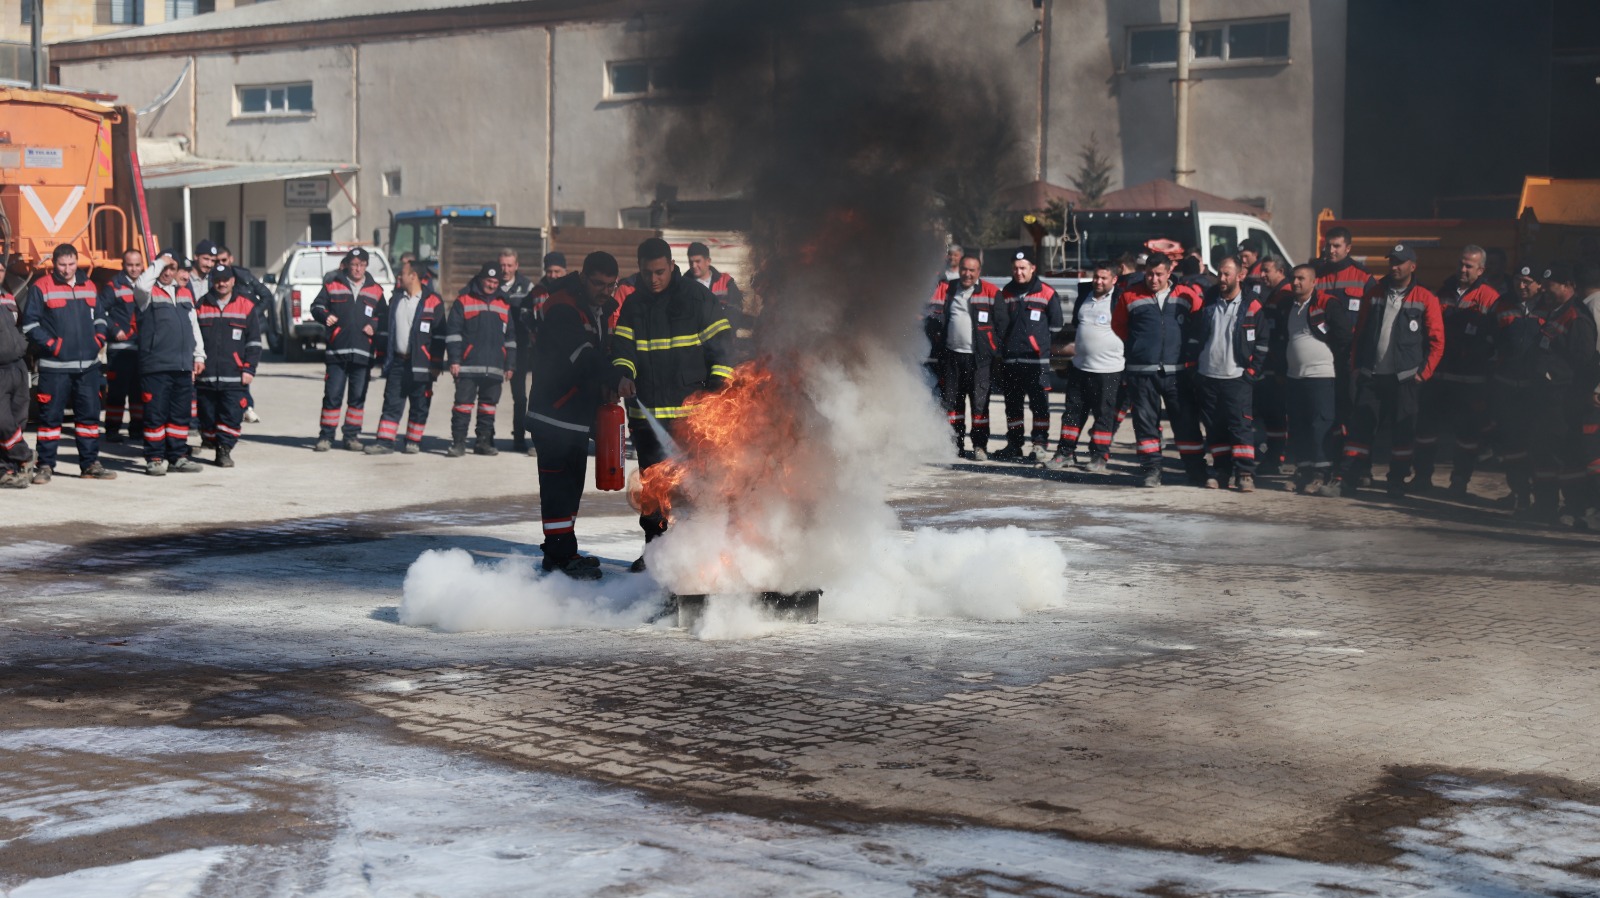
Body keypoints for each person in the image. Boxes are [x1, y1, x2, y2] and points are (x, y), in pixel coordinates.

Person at [611, 237, 733, 570]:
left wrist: (715, 398)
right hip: (646, 418)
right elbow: (623, 350)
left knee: (698, 489)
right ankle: (657, 555)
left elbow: (722, 350)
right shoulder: (634, 306)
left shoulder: (697, 299)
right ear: (638, 269)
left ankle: (703, 555)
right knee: (653, 490)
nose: (654, 279)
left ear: (671, 264)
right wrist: (622, 374)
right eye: (647, 272)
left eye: (660, 271)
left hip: (691, 420)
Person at [527, 252, 623, 579]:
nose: (605, 291)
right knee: (557, 489)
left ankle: (565, 551)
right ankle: (557, 557)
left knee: (571, 488)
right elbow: (582, 355)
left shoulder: (598, 308)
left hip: (575, 417)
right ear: (583, 277)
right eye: (598, 283)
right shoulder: (562, 307)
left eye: (611, 285)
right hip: (553, 414)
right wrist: (613, 378)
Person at [1335, 244, 1445, 497]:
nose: (1394, 267)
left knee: (1402, 434)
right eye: (1392, 262)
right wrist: (1356, 367)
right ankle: (1348, 477)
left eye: (1400, 262)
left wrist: (1422, 374)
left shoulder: (1426, 297)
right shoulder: (1375, 292)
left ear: (1412, 266)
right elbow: (1360, 332)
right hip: (1372, 376)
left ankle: (1396, 481)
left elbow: (1437, 341)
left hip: (1405, 379)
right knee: (1360, 430)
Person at [20, 243, 114, 483]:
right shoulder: (41, 287)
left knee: (89, 419)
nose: (67, 269)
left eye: (71, 264)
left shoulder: (89, 285)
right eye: (62, 265)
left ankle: (90, 465)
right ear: (54, 264)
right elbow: (30, 325)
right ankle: (45, 466)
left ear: (76, 262)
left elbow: (101, 317)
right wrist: (55, 346)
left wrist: (99, 339)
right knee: (50, 419)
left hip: (88, 367)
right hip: (55, 368)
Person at [1111, 254, 1207, 487]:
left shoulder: (1186, 294)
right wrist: (1139, 347)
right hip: (1141, 371)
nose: (1153, 279)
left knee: (1186, 423)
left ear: (1169, 271)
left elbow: (1200, 321)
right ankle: (1151, 471)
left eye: (1159, 274)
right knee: (1145, 423)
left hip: (1177, 372)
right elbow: (1118, 325)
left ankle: (1196, 471)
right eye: (1149, 274)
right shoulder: (1129, 295)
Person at [1413, 246, 1501, 495]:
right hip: (1438, 377)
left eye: (1468, 266)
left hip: (1471, 382)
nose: (1462, 269)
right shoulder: (1444, 292)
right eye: (1461, 264)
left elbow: (1497, 340)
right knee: (1426, 431)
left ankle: (1459, 482)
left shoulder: (1491, 298)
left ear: (1481, 269)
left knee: (1467, 436)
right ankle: (1421, 478)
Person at [1527, 262, 1597, 524]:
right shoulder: (1556, 312)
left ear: (1569, 286)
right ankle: (1545, 505)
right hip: (1545, 399)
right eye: (1544, 285)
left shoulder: (1577, 318)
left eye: (1551, 285)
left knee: (1564, 455)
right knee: (1542, 452)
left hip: (1562, 400)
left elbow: (1584, 363)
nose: (1545, 290)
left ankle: (1573, 507)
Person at [1190, 256, 1265, 491]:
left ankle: (1245, 473)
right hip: (1208, 375)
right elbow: (1196, 334)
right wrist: (1193, 365)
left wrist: (1251, 371)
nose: (1221, 279)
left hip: (1237, 378)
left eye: (1227, 274)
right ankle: (1221, 471)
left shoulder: (1252, 304)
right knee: (1214, 428)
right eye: (1220, 273)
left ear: (1240, 275)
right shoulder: (1209, 299)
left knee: (1240, 427)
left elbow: (1263, 341)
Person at [133, 252, 207, 476]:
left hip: (183, 365)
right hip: (156, 366)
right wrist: (160, 262)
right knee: (156, 414)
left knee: (179, 415)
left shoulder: (185, 293)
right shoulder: (147, 293)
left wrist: (199, 355)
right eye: (164, 268)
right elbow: (141, 283)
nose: (167, 273)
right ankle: (155, 458)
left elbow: (194, 326)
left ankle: (178, 457)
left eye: (172, 268)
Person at [1046, 261, 1123, 473]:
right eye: (1096, 277)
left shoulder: (1120, 300)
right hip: (1080, 368)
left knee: (1103, 415)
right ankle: (1065, 453)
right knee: (1072, 412)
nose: (1098, 281)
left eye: (1103, 278)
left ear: (1114, 279)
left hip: (1109, 370)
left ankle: (1099, 456)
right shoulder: (1085, 297)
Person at [926, 253, 1004, 460]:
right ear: (959, 269)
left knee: (979, 405)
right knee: (953, 405)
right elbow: (935, 314)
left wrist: (991, 350)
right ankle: (955, 445)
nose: (967, 274)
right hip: (952, 358)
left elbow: (1002, 326)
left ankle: (979, 446)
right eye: (964, 269)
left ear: (979, 272)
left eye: (972, 270)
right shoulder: (949, 289)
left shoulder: (991, 292)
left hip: (979, 360)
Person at [1489, 265, 1554, 512]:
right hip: (1507, 388)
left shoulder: (1549, 308)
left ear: (1539, 285)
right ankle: (1519, 493)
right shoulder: (1502, 305)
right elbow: (1491, 340)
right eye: (1518, 280)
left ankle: (1544, 501)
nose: (1522, 286)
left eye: (1527, 281)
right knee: (1512, 446)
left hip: (1536, 391)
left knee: (1538, 446)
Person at [310, 247, 388, 452]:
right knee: (332, 395)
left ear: (366, 266)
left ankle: (351, 437)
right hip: (337, 352)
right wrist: (325, 316)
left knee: (357, 397)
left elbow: (384, 316)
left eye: (361, 265)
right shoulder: (332, 284)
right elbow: (316, 307)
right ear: (347, 265)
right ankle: (326, 437)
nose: (357, 269)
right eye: (354, 265)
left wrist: (375, 325)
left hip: (363, 353)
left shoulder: (376, 290)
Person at [367, 258, 446, 455]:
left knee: (420, 403)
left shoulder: (433, 301)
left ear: (413, 276)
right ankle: (384, 442)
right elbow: (387, 331)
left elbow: (439, 336)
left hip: (422, 363)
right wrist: (382, 358)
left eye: (402, 273)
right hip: (397, 362)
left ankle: (413, 441)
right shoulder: (396, 299)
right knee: (392, 401)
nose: (399, 277)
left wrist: (436, 364)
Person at [993, 248, 1063, 461]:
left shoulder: (1047, 292)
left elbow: (1056, 325)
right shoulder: (1005, 293)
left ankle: (1040, 445)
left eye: (1023, 268)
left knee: (1039, 405)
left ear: (1033, 268)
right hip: (1011, 360)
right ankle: (1014, 444)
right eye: (1015, 268)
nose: (1019, 272)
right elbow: (999, 325)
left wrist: (1037, 341)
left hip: (1035, 361)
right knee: (1012, 405)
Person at [1279, 264, 1342, 495]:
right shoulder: (1290, 306)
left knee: (1320, 425)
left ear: (1314, 282)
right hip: (1295, 377)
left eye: (1301, 279)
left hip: (1321, 376)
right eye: (1293, 278)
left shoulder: (1327, 303)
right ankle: (1303, 470)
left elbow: (1343, 336)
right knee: (1298, 426)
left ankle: (1321, 473)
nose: (1296, 283)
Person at [444, 262, 515, 457]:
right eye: (488, 281)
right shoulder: (464, 300)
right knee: (462, 406)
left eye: (495, 282)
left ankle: (482, 443)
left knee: (488, 408)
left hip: (494, 367)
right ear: (480, 279)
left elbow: (510, 338)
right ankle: (458, 443)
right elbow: (453, 334)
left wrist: (509, 364)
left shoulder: (504, 303)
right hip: (467, 366)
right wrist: (455, 360)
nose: (492, 285)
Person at [194, 266, 262, 467]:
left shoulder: (246, 306)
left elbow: (254, 342)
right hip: (205, 376)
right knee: (206, 417)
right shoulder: (201, 305)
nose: (221, 283)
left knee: (231, 415)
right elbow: (192, 338)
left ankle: (224, 450)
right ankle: (211, 438)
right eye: (217, 279)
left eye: (226, 279)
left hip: (234, 375)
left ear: (233, 281)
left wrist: (249, 369)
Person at [1315, 226, 1374, 450]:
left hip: (1351, 356)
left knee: (1354, 410)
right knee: (1329, 409)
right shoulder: (1317, 275)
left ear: (1348, 248)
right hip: (1322, 355)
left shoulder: (1364, 277)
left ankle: (1360, 465)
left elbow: (1373, 320)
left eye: (1336, 246)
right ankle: (1333, 458)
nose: (1331, 250)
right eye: (1328, 245)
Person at [214, 245, 270, 423]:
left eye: (224, 260)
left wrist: (253, 315)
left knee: (245, 368)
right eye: (217, 261)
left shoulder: (244, 276)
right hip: (226, 330)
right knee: (232, 370)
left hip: (247, 331)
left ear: (230, 259)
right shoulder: (213, 281)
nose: (220, 264)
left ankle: (246, 406)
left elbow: (266, 295)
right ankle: (243, 406)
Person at [1252, 257, 1292, 474]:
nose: (1262, 276)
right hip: (1272, 365)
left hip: (1279, 366)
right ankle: (1275, 455)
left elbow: (1284, 336)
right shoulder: (1276, 294)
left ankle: (1277, 456)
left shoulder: (1285, 296)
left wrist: (1280, 369)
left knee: (1276, 413)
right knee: (1271, 412)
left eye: (1267, 271)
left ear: (1281, 271)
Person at [496, 248, 538, 454]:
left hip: (520, 349)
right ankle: (483, 437)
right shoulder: (491, 283)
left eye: (509, 265)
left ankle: (519, 438)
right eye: (502, 265)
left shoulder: (527, 286)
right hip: (494, 347)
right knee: (488, 395)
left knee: (520, 397)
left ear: (517, 266)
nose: (505, 269)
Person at [101, 249, 145, 443]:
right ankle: (112, 430)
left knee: (138, 392)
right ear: (123, 266)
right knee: (117, 392)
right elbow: (99, 311)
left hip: (142, 348)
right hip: (120, 349)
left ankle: (137, 429)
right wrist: (114, 329)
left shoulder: (147, 285)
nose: (134, 269)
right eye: (130, 265)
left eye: (137, 265)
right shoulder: (113, 286)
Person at [0, 284, 31, 488]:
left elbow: (20, 326)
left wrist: (23, 345)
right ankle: (23, 454)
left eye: (1, 269)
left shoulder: (9, 297)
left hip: (17, 365)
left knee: (19, 417)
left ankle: (7, 469)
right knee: (2, 421)